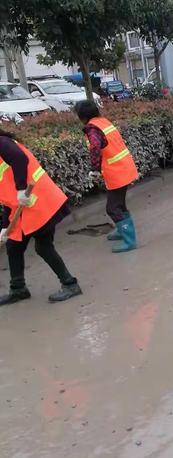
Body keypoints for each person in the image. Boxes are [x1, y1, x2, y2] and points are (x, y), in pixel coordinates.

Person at [0, 129, 82, 305]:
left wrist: (22, 189)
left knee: (43, 246)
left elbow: (20, 159)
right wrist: (6, 226)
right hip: (25, 207)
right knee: (14, 246)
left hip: (40, 203)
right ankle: (18, 289)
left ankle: (70, 284)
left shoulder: (2, 142)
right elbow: (6, 194)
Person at [74, 100, 139, 253]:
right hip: (124, 167)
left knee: (112, 208)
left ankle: (130, 240)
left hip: (117, 172)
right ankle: (121, 230)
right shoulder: (102, 121)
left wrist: (94, 169)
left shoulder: (93, 129)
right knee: (120, 204)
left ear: (82, 116)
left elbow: (95, 147)